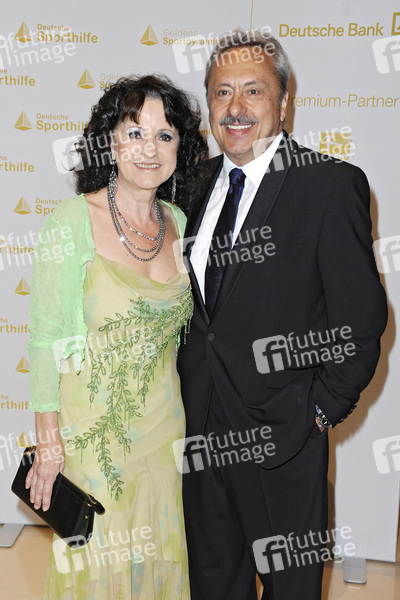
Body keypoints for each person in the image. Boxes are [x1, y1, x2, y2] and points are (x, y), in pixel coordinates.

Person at [177, 29, 388, 600]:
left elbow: (362, 321)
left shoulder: (329, 185)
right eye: (222, 93)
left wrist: (316, 413)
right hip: (201, 438)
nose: (236, 108)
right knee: (213, 587)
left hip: (283, 442)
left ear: (284, 101)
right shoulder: (193, 184)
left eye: (254, 91)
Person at [25, 74, 207, 600]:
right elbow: (45, 338)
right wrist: (49, 442)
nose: (150, 149)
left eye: (164, 135)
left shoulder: (178, 222)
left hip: (165, 434)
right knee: (97, 571)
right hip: (91, 440)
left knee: (156, 565)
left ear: (180, 147)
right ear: (110, 142)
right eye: (134, 133)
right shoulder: (71, 222)